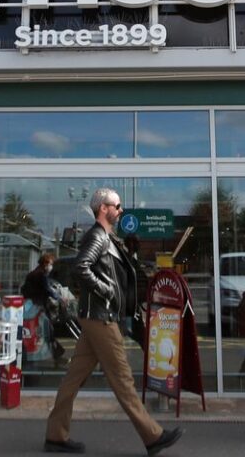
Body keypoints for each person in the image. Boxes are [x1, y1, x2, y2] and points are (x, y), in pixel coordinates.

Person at [45, 188, 182, 457]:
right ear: (103, 208)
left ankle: (55, 435)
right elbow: (81, 267)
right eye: (116, 206)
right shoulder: (97, 236)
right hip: (101, 318)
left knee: (73, 379)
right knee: (122, 378)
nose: (120, 211)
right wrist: (106, 290)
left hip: (98, 317)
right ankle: (153, 436)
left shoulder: (108, 238)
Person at [21, 252, 69, 364]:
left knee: (42, 331)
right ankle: (57, 355)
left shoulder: (33, 274)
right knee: (48, 330)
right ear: (45, 264)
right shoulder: (40, 275)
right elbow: (48, 289)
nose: (51, 267)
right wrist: (60, 298)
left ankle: (57, 355)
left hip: (31, 306)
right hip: (37, 306)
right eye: (50, 264)